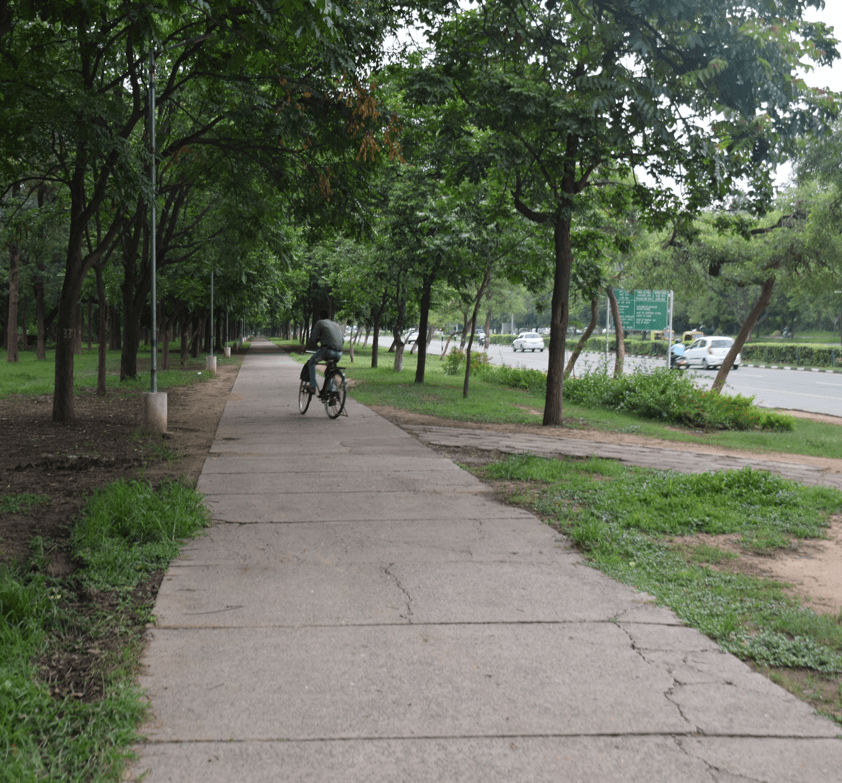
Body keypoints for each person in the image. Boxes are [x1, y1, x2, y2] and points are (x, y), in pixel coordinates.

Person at [304, 310, 344, 395]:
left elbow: (313, 339)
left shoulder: (320, 323)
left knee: (311, 362)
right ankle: (331, 390)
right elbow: (342, 340)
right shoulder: (335, 324)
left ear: (319, 316)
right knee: (330, 369)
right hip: (339, 353)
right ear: (329, 317)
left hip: (327, 351)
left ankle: (312, 386)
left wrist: (305, 347)